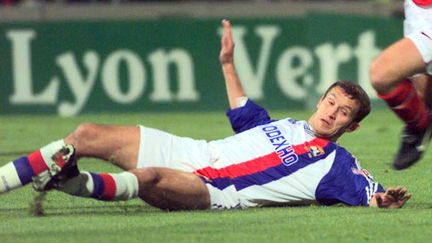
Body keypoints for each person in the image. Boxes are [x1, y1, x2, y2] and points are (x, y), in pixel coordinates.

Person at [0, 20, 410, 210]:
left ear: (352, 126)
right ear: (320, 100)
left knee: (148, 178)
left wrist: (385, 200)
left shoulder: (337, 165)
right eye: (330, 102)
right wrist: (228, 64)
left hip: (213, 190)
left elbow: (371, 196)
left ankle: (72, 182)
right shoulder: (283, 126)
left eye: (343, 113)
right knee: (87, 133)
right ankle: (53, 181)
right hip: (189, 150)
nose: (332, 113)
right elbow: (243, 110)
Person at [369, 0, 432, 170]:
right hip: (418, 11)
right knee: (423, 95)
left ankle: (419, 127)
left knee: (382, 73)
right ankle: (420, 125)